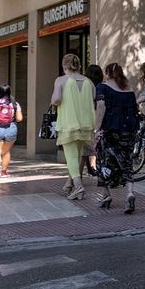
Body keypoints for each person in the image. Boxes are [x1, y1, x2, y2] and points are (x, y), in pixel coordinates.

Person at [93, 61, 141, 213]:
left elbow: (101, 106)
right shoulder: (129, 90)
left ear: (107, 74)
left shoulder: (102, 87)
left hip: (110, 129)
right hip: (129, 130)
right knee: (127, 161)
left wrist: (97, 129)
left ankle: (106, 195)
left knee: (103, 160)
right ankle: (130, 193)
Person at [50, 54, 95, 200]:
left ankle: (78, 186)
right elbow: (93, 97)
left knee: (70, 156)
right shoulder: (88, 81)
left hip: (68, 122)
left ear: (64, 65)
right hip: (86, 123)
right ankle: (69, 184)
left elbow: (56, 99)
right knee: (77, 155)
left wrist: (53, 100)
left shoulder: (61, 80)